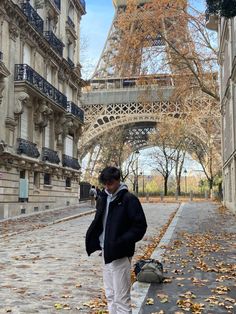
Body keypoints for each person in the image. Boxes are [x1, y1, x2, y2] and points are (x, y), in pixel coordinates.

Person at [85, 166, 147, 314]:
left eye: (110, 183)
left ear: (118, 180)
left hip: (120, 254)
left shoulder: (129, 199)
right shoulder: (103, 198)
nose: (107, 186)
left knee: (121, 298)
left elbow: (140, 226)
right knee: (111, 295)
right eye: (105, 183)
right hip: (106, 252)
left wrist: (121, 242)